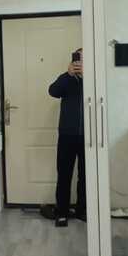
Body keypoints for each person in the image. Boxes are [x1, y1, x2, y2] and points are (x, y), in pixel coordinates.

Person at [48, 49, 87, 228]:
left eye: (83, 58)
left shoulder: (94, 79)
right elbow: (52, 91)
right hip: (67, 135)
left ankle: (82, 210)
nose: (80, 62)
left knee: (85, 176)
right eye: (78, 58)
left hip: (89, 137)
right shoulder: (66, 78)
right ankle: (62, 212)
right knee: (64, 175)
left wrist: (86, 76)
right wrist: (68, 74)